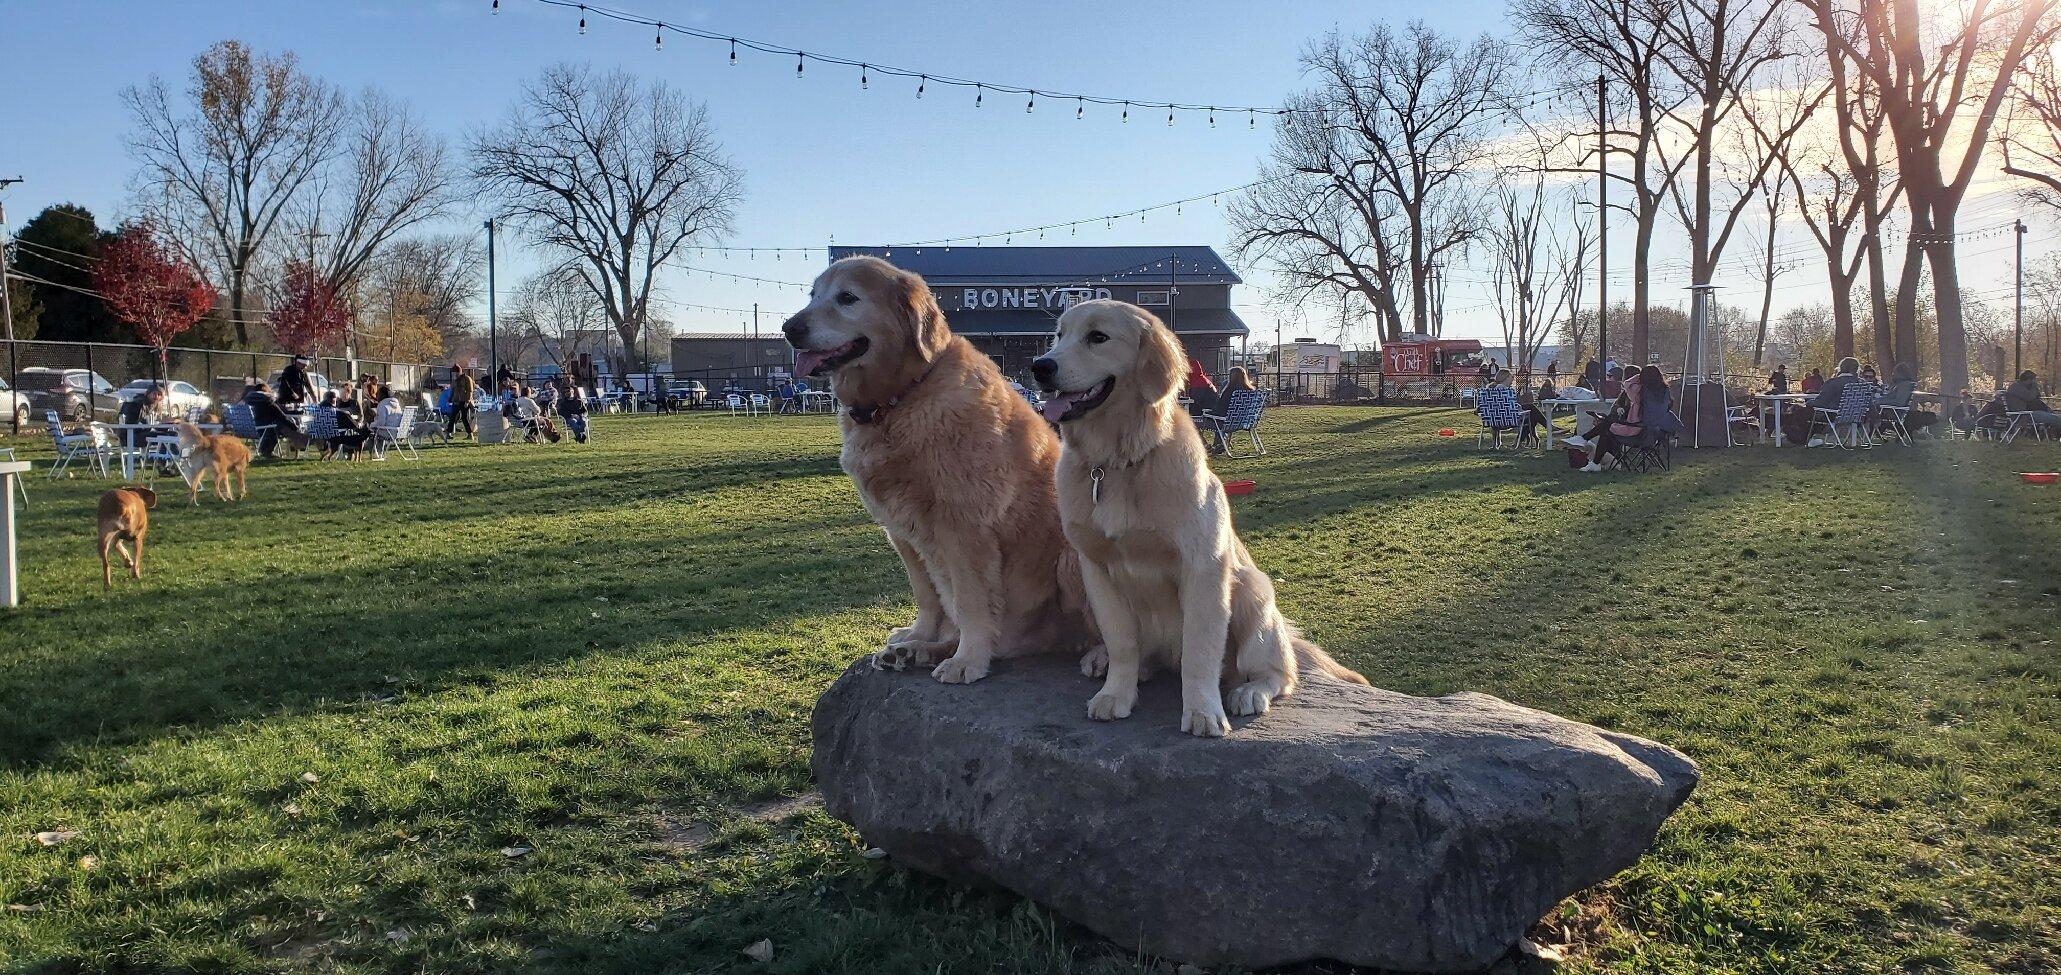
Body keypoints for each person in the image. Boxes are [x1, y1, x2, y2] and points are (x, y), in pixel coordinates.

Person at [1580, 364, 1681, 472]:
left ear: (1643, 378)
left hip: (1639, 434)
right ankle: (1587, 445)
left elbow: (1627, 383)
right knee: (1609, 423)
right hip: (1657, 434)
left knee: (1607, 429)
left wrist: (1638, 376)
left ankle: (1592, 456)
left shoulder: (1640, 392)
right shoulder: (1665, 391)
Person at [1876, 362, 1936, 437]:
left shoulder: (1904, 386)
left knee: (1870, 408)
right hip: (1889, 409)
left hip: (1893, 412)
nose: (1893, 374)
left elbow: (1899, 402)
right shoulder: (1899, 385)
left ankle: (1868, 431)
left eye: (1894, 372)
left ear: (1899, 373)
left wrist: (1879, 401)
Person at [241, 381, 299, 459]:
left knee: (280, 424)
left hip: (253, 428)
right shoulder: (269, 401)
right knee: (282, 425)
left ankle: (265, 450)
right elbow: (282, 415)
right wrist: (295, 428)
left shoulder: (250, 401)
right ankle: (267, 451)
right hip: (266, 430)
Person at [2004, 369, 2061, 435]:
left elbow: (2037, 397)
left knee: (2058, 416)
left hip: (2030, 412)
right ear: (2028, 380)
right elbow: (2030, 397)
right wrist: (2034, 386)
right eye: (2033, 380)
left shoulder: (2025, 388)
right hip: (2023, 415)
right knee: (2054, 419)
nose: (2034, 382)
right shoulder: (2016, 387)